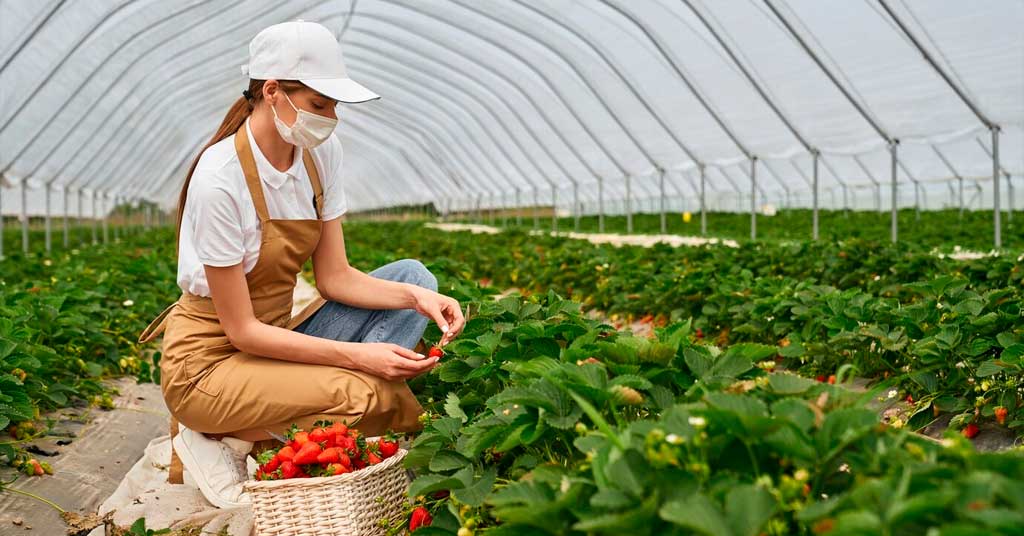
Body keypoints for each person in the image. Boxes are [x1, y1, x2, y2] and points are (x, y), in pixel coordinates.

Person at [137, 20, 465, 509]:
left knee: (414, 277)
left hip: (273, 339)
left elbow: (334, 277)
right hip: (210, 363)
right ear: (272, 91)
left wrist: (417, 298)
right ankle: (218, 433)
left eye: (333, 106)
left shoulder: (317, 154)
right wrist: (360, 357)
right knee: (365, 392)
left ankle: (321, 405)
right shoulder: (220, 179)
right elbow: (242, 331)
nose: (330, 117)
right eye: (319, 104)